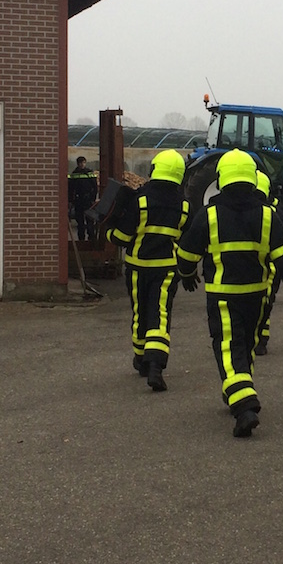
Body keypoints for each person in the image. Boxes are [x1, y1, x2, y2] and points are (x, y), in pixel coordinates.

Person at [176, 150, 283, 438]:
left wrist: (186, 275)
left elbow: (186, 252)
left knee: (228, 346)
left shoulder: (209, 214)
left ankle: (245, 406)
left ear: (221, 178)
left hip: (223, 295)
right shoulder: (269, 215)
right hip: (257, 296)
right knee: (246, 345)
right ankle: (236, 390)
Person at [107, 150, 189, 391]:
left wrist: (109, 229)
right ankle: (156, 366)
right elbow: (187, 241)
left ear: (155, 169)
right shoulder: (184, 206)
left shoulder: (140, 200)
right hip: (166, 269)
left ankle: (141, 358)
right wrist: (189, 270)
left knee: (140, 312)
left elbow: (122, 237)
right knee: (159, 313)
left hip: (137, 268)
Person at [253, 170, 281, 356]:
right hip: (270, 269)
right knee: (265, 303)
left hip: (259, 268)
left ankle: (260, 339)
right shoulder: (273, 214)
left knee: (261, 303)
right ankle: (260, 339)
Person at [67, 156, 98, 241]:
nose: (82, 164)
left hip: (88, 200)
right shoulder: (74, 174)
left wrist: (93, 199)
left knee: (90, 221)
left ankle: (91, 239)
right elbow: (70, 188)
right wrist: (71, 200)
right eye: (81, 163)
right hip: (78, 200)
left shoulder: (89, 173)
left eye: (83, 163)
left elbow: (95, 187)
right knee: (80, 221)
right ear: (78, 164)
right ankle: (81, 239)